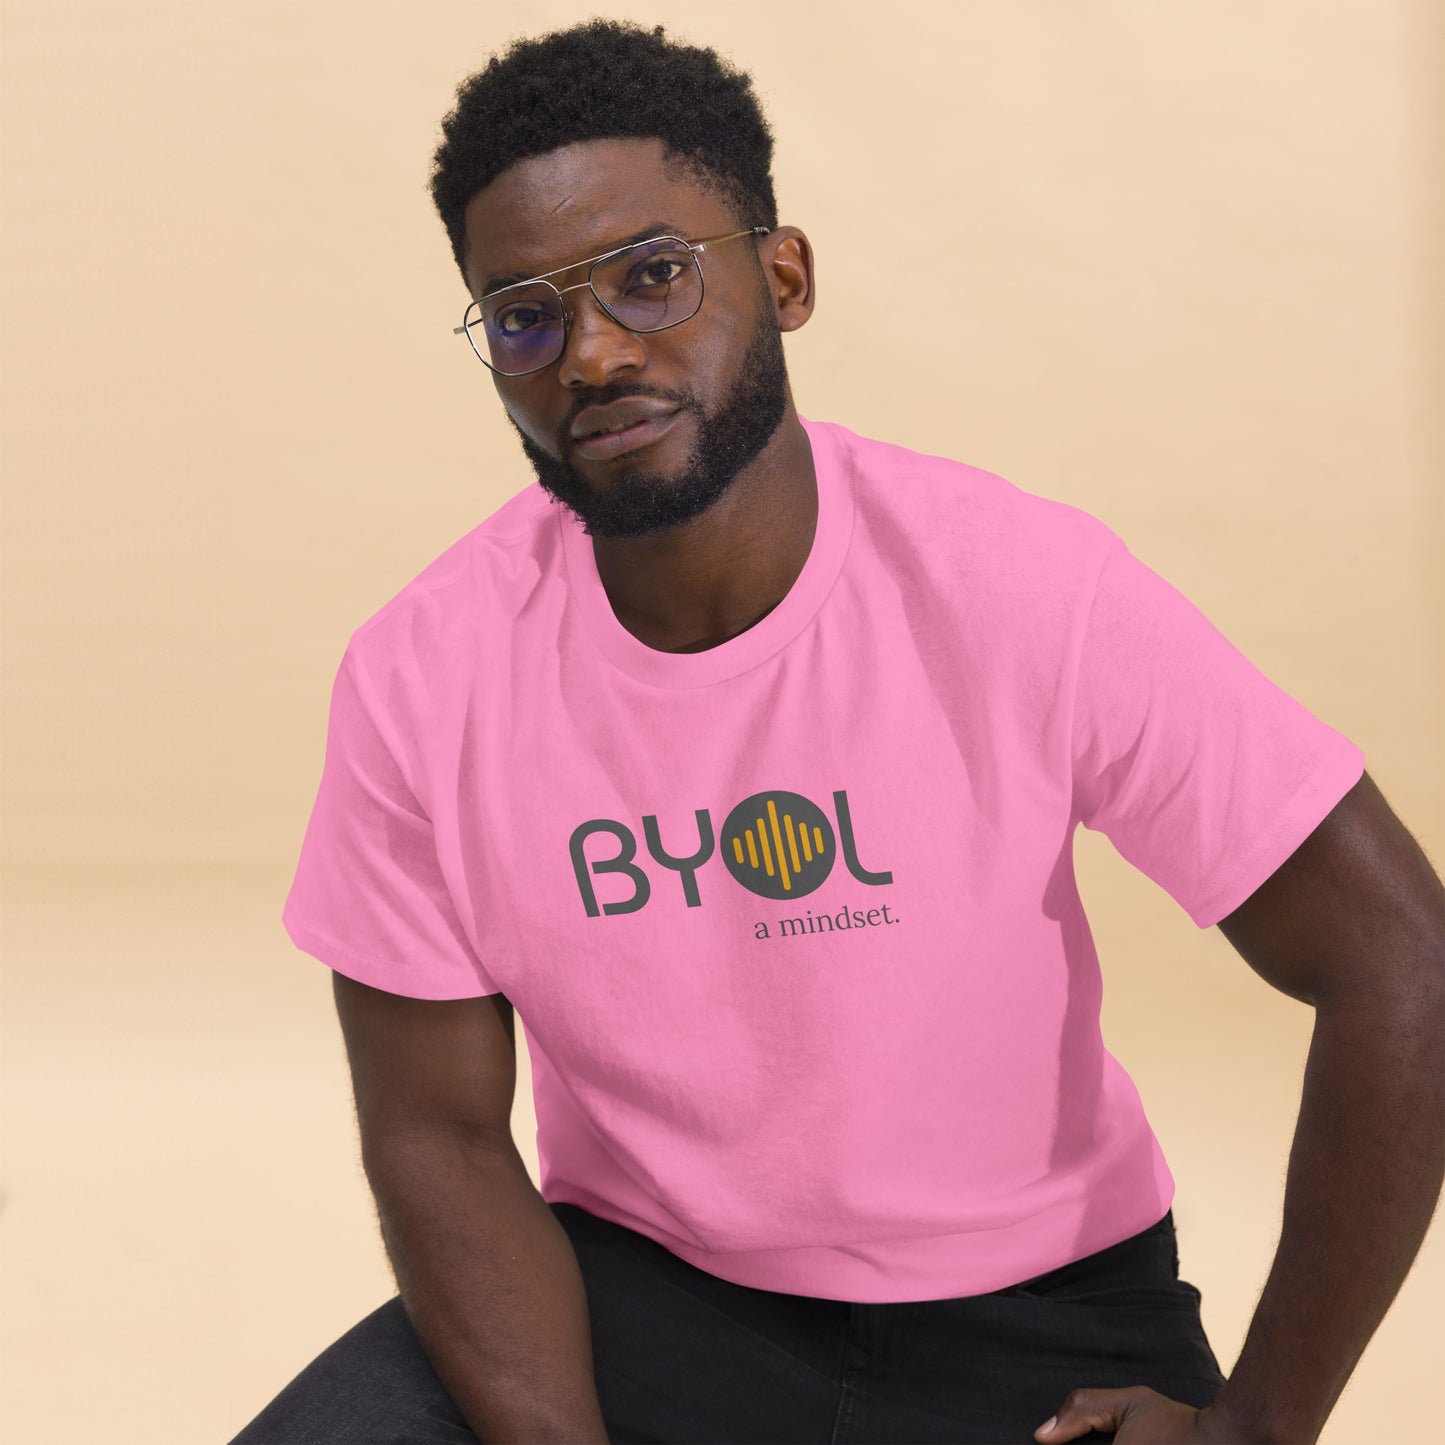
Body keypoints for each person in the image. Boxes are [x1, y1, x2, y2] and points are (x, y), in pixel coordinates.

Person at [232, 20, 1445, 1445]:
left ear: (783, 276)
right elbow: (433, 1129)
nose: (594, 352)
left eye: (652, 275)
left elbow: (1400, 958)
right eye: (523, 316)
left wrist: (1260, 1423)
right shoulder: (420, 675)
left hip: (1036, 1322)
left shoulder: (1020, 587)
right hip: (643, 1298)